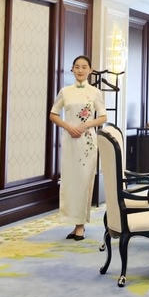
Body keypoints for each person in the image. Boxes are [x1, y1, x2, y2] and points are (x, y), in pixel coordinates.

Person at [49, 55, 107, 241]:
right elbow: (53, 114)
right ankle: (74, 222)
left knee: (84, 181)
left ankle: (80, 225)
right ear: (72, 69)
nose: (80, 70)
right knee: (70, 181)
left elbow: (103, 117)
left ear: (90, 70)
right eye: (77, 67)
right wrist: (68, 127)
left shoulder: (95, 92)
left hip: (87, 141)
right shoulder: (65, 91)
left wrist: (85, 125)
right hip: (69, 140)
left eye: (84, 67)